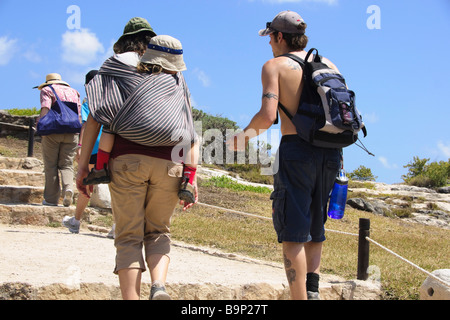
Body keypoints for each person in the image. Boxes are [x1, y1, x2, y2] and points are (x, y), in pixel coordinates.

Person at [227, 11, 341, 300]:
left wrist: (241, 139)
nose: (269, 44)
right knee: (316, 227)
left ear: (279, 36)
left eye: (270, 38)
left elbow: (267, 117)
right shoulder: (329, 64)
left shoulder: (274, 66)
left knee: (293, 233)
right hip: (332, 153)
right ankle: (312, 293)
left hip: (297, 151)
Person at [77, 31, 199, 300]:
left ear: (147, 53)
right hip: (170, 164)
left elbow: (101, 119)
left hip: (127, 162)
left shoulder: (123, 77)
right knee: (158, 231)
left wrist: (86, 164)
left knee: (129, 235)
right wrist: (192, 177)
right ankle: (158, 287)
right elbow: (191, 130)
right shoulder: (179, 84)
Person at [62, 70, 101, 234]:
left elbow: (85, 125)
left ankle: (76, 221)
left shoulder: (89, 103)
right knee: (115, 186)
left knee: (87, 185)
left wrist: (80, 146)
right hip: (109, 146)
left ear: (87, 85)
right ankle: (116, 226)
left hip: (92, 146)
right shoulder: (112, 100)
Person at [36, 73, 81, 207]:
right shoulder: (74, 92)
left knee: (51, 165)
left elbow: (46, 108)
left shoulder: (47, 90)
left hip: (53, 131)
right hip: (72, 130)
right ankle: (68, 188)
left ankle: (51, 199)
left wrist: (41, 125)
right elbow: (78, 113)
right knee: (67, 164)